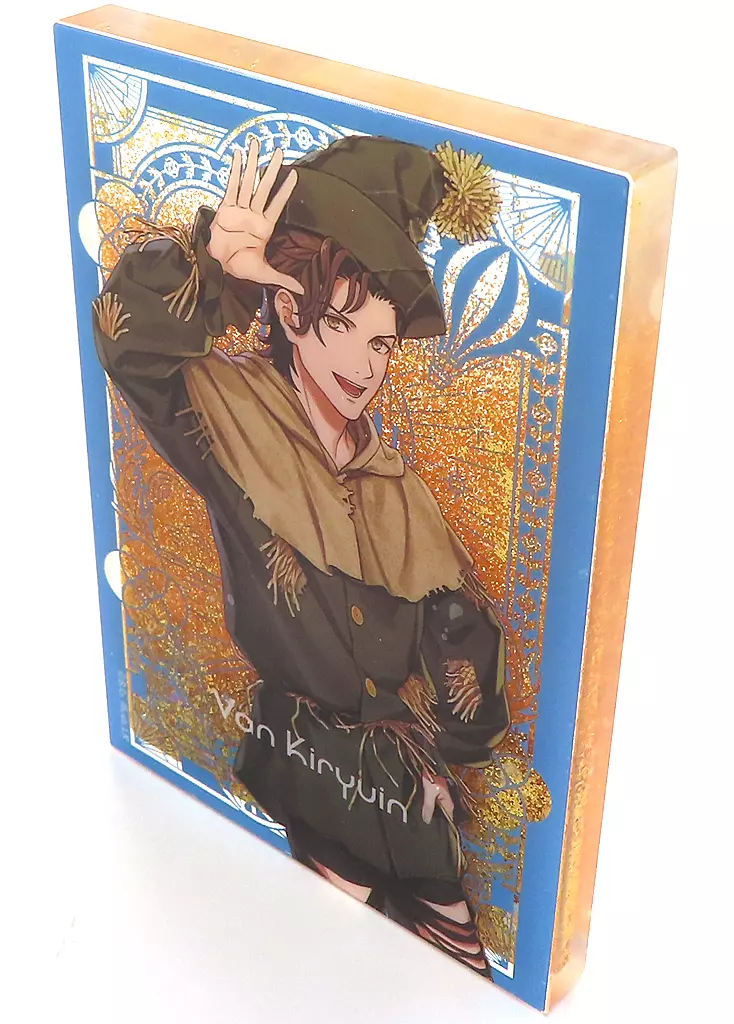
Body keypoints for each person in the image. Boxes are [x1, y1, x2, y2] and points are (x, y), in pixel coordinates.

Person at [93, 134, 511, 977]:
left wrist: (460, 738)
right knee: (308, 961)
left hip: (408, 803)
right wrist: (214, 270)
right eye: (344, 326)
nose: (365, 364)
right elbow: (124, 342)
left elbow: (462, 655)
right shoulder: (225, 409)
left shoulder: (401, 492)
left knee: (452, 970)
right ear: (290, 313)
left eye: (382, 343)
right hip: (288, 774)